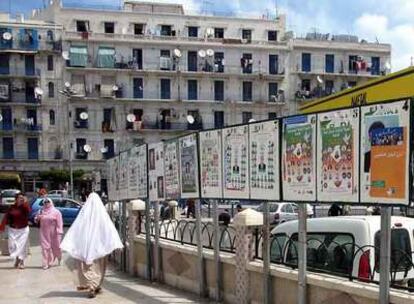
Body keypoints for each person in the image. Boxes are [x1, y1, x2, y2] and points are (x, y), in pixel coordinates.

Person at [60, 192, 123, 298]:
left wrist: (75, 243)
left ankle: (92, 286)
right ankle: (94, 286)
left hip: (86, 247)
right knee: (100, 268)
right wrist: (115, 243)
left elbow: (76, 229)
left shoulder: (84, 214)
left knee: (88, 268)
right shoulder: (102, 215)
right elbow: (109, 230)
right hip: (100, 248)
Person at [0, 193, 31, 269]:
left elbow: (28, 211)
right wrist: (1, 228)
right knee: (13, 245)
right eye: (19, 198)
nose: (20, 199)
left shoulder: (25, 207)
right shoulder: (12, 207)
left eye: (22, 198)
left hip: (23, 230)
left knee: (22, 246)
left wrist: (25, 203)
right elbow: (6, 217)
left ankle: (21, 262)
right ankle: (17, 259)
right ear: (16, 199)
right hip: (13, 229)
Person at [35, 197, 64, 269]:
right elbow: (35, 220)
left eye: (48, 202)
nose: (46, 203)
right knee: (45, 247)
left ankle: (59, 258)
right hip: (44, 232)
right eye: (45, 202)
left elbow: (60, 223)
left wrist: (59, 231)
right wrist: (38, 217)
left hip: (54, 232)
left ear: (51, 202)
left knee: (56, 247)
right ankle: (46, 263)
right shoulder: (41, 210)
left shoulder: (56, 212)